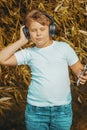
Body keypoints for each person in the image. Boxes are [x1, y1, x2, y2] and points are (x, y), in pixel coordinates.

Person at [0, 9, 87, 130]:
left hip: (62, 110)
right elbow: (2, 58)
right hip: (36, 111)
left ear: (51, 29)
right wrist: (21, 41)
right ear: (27, 32)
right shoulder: (28, 53)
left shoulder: (64, 48)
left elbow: (78, 69)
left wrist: (81, 75)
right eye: (33, 30)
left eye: (42, 29)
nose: (38, 34)